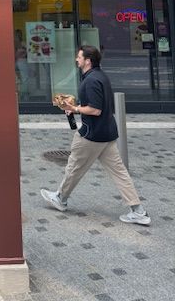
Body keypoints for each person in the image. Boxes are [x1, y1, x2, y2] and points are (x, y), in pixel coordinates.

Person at [40, 45, 150, 226]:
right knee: (120, 173)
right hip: (107, 134)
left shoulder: (90, 81)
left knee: (74, 167)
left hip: (91, 135)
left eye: (79, 57)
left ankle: (60, 198)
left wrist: (74, 108)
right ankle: (138, 211)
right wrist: (75, 107)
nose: (76, 59)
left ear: (88, 61)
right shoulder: (100, 76)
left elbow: (95, 109)